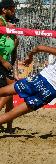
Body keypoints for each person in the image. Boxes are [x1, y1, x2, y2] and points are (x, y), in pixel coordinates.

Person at [0, 0, 19, 132]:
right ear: (4, 10)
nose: (14, 10)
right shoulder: (0, 22)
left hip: (7, 65)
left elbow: (14, 53)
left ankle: (9, 126)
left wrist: (14, 68)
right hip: (1, 63)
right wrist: (3, 61)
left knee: (11, 95)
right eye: (11, 8)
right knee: (6, 94)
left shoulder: (12, 31)